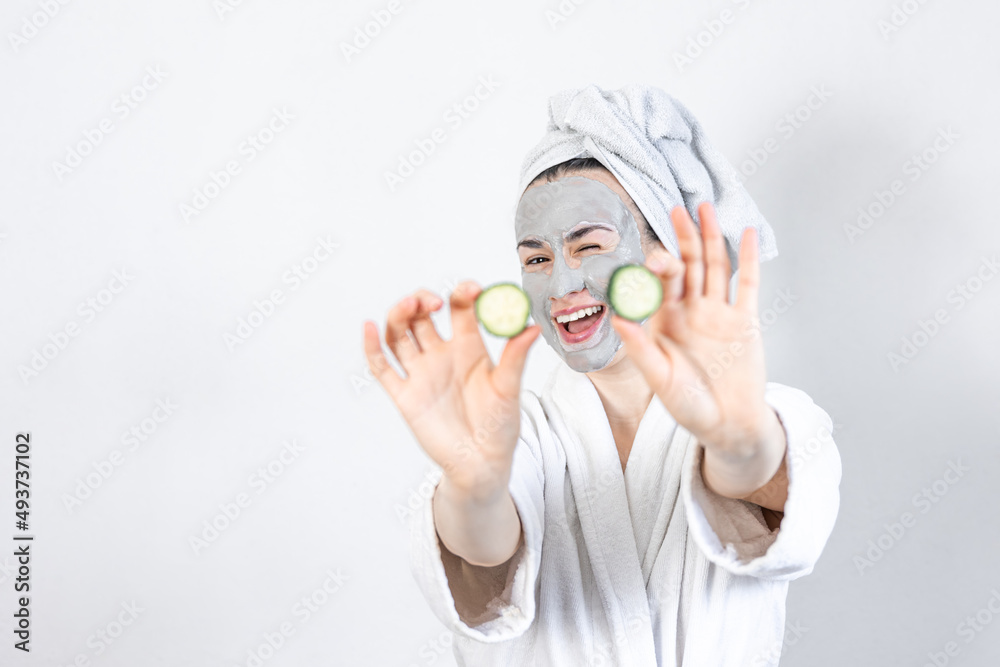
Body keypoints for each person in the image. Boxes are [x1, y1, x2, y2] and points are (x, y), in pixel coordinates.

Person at [362, 86, 842, 666]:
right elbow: (483, 551)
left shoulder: (775, 420)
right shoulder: (515, 433)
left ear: (664, 254)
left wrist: (738, 439)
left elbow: (765, 484)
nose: (562, 286)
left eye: (589, 246)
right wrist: (473, 484)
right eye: (536, 259)